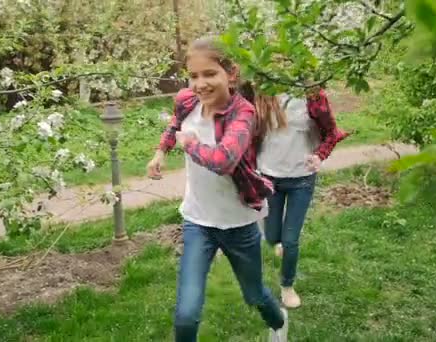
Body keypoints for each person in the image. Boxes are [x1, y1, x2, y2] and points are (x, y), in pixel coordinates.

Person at [147, 37, 288, 342]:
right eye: (194, 76)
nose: (200, 84)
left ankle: (279, 323)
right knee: (185, 315)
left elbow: (224, 160)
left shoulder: (243, 113)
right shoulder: (186, 101)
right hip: (198, 221)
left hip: (238, 223)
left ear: (231, 73)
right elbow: (175, 124)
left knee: (255, 296)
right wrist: (161, 151)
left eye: (210, 74)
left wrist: (192, 144)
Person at [240, 82, 348, 309]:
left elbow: (331, 133)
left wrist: (320, 155)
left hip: (301, 178)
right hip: (269, 177)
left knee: (291, 240)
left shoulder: (312, 95)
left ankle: (287, 286)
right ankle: (278, 242)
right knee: (271, 237)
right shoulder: (259, 93)